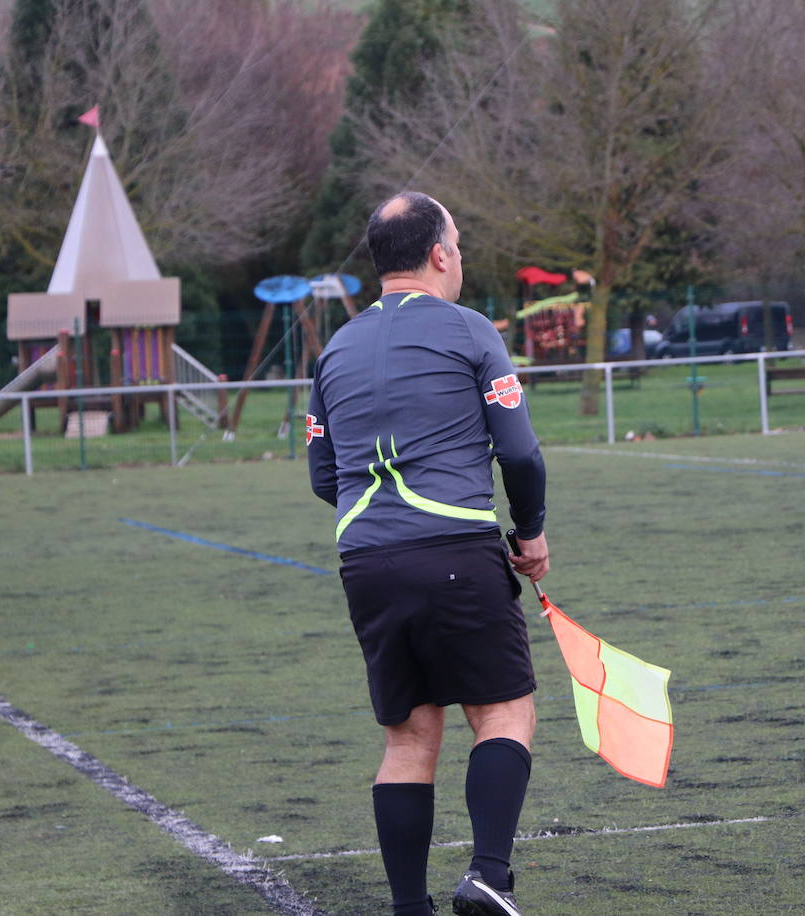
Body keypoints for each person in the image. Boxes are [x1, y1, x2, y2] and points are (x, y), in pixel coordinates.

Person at [307, 191, 548, 916]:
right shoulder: (471, 330)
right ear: (441, 254)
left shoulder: (334, 348)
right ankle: (488, 876)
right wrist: (529, 533)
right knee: (505, 712)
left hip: (367, 564)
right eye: (460, 242)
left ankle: (408, 908)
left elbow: (324, 477)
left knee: (409, 738)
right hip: (456, 549)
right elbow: (520, 453)